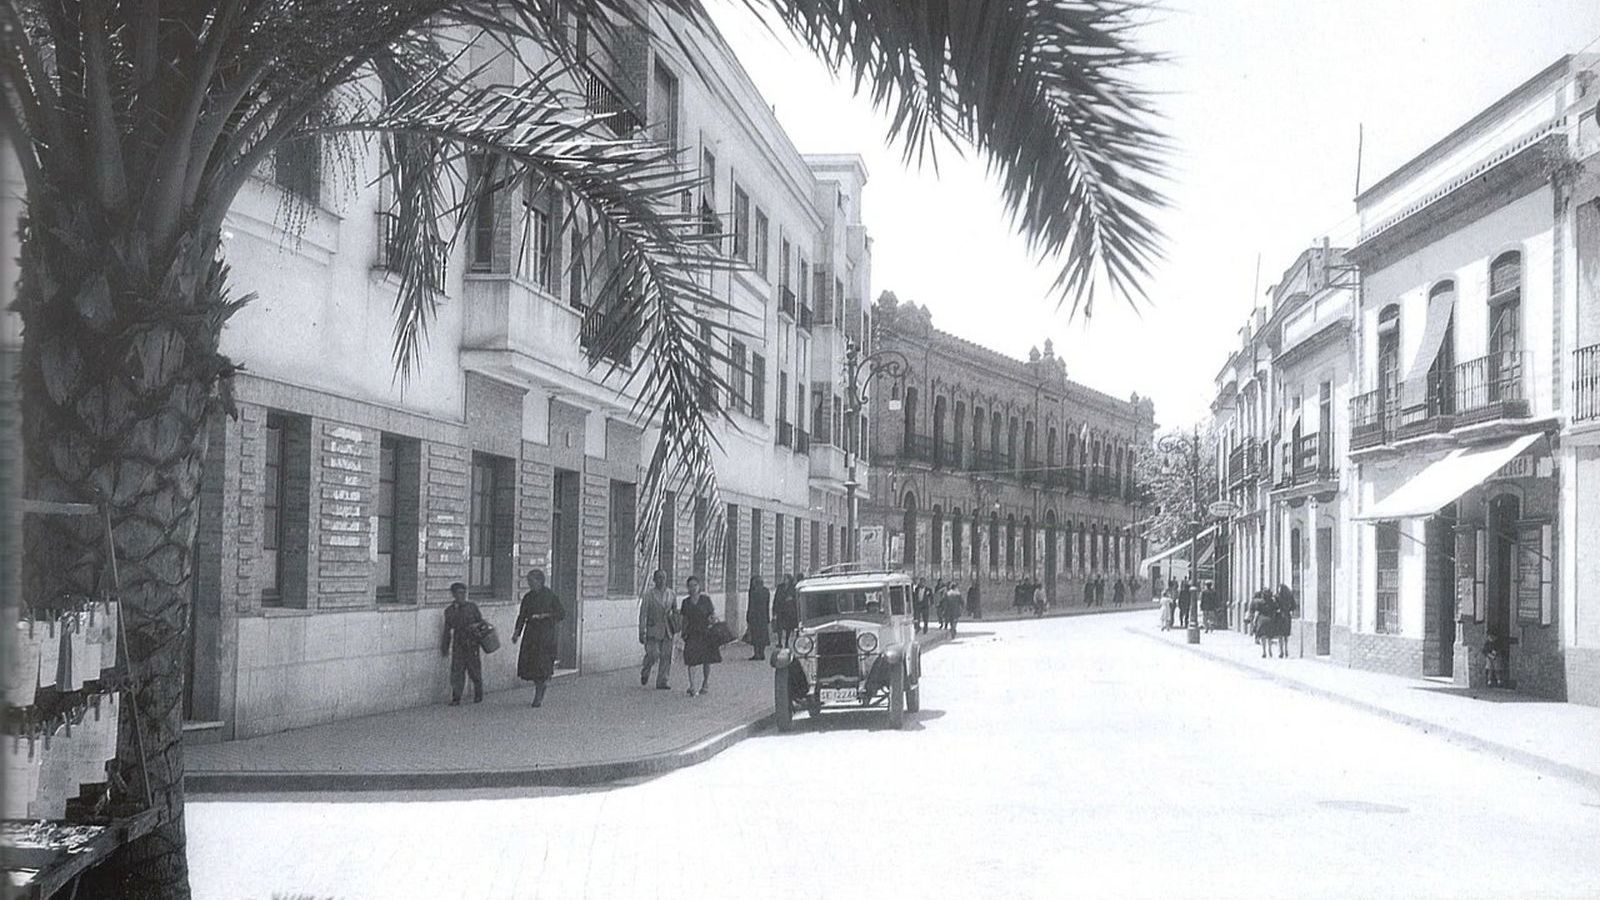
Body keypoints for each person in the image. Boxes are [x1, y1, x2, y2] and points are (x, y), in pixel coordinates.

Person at [513, 568, 566, 708]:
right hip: (531, 635)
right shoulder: (528, 597)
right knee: (532, 665)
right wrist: (516, 632)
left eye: (532, 581)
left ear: (540, 581)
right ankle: (540, 687)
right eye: (529, 582)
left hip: (546, 635)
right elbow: (522, 615)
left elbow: (561, 613)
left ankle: (539, 693)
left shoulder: (550, 596)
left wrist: (546, 616)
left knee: (542, 665)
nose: (530, 584)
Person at [440, 582, 485, 705]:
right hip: (458, 642)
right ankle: (456, 697)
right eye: (459, 593)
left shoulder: (472, 607)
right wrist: (445, 647)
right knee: (457, 671)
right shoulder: (449, 611)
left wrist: (477, 627)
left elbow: (481, 622)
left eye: (464, 593)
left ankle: (478, 693)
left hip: (472, 641)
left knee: (474, 669)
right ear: (453, 594)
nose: (462, 596)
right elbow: (447, 630)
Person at [679, 576, 721, 696]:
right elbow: (684, 619)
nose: (692, 588)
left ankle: (705, 682)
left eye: (694, 585)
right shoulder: (686, 602)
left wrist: (712, 619)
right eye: (690, 586)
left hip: (705, 633)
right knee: (691, 659)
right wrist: (682, 633)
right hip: (692, 633)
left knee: (706, 660)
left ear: (699, 586)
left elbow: (712, 614)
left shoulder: (705, 600)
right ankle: (692, 686)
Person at [638, 570, 677, 689]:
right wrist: (642, 631)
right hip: (653, 629)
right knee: (653, 654)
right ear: (654, 580)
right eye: (658, 578)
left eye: (663, 578)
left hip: (667, 630)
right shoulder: (649, 595)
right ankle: (646, 670)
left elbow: (675, 612)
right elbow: (643, 614)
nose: (661, 580)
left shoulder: (671, 594)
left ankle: (662, 681)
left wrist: (676, 624)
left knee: (666, 655)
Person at [746, 575, 771, 660]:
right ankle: (762, 653)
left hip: (755, 616)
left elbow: (751, 605)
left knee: (755, 636)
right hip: (763, 616)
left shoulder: (753, 591)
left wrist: (748, 616)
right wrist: (768, 617)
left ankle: (757, 654)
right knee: (763, 635)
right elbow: (767, 605)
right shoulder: (766, 591)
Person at [773, 574, 799, 649]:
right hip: (780, 609)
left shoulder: (793, 587)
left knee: (788, 627)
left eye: (786, 579)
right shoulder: (780, 587)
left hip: (789, 610)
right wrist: (774, 610)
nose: (784, 580)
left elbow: (796, 598)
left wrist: (791, 599)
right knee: (779, 627)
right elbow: (776, 598)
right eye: (783, 578)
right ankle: (779, 642)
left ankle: (787, 641)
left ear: (789, 580)